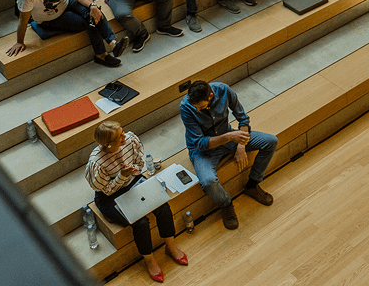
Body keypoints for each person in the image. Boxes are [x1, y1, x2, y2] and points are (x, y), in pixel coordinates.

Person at [86, 121, 186, 281]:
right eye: (119, 137)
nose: (124, 136)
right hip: (110, 196)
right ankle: (149, 260)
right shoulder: (97, 162)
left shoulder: (130, 140)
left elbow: (139, 165)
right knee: (140, 222)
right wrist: (122, 176)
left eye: (122, 131)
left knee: (162, 206)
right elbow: (106, 190)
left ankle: (170, 246)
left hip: (133, 181)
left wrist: (132, 171)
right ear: (108, 144)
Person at [180, 79, 277, 232]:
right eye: (195, 107)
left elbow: (243, 119)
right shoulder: (186, 107)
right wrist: (231, 137)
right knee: (208, 181)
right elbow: (200, 143)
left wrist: (241, 146)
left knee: (271, 141)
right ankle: (226, 204)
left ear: (210, 96)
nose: (197, 110)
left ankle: (252, 185)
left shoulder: (223, 90)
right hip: (203, 150)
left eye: (201, 106)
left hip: (228, 137)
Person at [12, 0, 125, 67]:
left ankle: (114, 44)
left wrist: (93, 6)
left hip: (67, 1)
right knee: (88, 23)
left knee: (94, 12)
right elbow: (23, 21)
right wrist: (19, 42)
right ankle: (101, 55)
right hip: (51, 18)